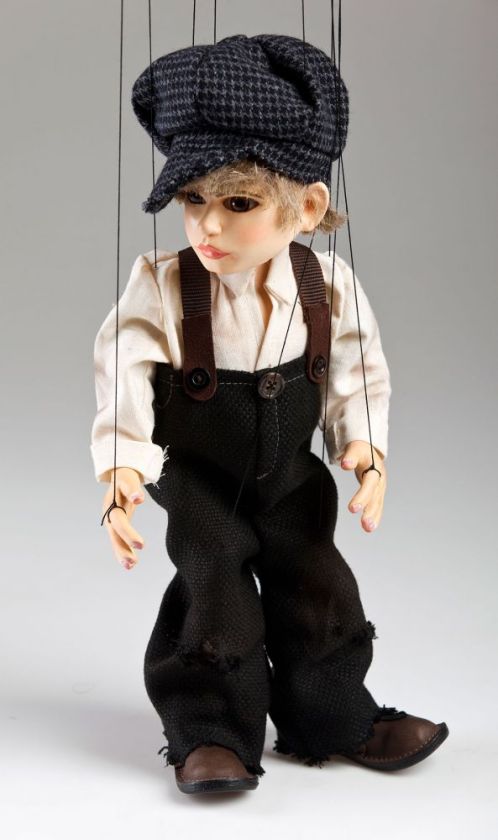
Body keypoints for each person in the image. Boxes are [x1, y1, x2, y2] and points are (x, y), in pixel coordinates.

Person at [90, 34, 449, 795]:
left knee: (320, 585)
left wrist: (367, 450)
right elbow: (121, 371)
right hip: (198, 477)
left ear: (306, 207)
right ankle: (210, 732)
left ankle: (333, 718)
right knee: (214, 589)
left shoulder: (328, 285)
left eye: (239, 203)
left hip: (290, 471)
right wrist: (121, 469)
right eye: (193, 200)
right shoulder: (163, 286)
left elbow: (358, 369)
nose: (207, 226)